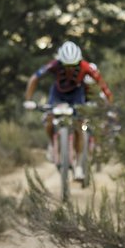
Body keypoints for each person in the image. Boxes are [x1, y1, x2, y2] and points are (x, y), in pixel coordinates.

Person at [22, 40, 113, 180]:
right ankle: (52, 145)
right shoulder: (54, 64)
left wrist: (109, 104)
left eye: (73, 65)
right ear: (61, 62)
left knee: (79, 126)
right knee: (49, 119)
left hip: (77, 93)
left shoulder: (86, 66)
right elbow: (35, 78)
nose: (70, 69)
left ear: (79, 61)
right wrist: (28, 100)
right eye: (66, 66)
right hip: (57, 93)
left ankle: (78, 165)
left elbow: (103, 85)